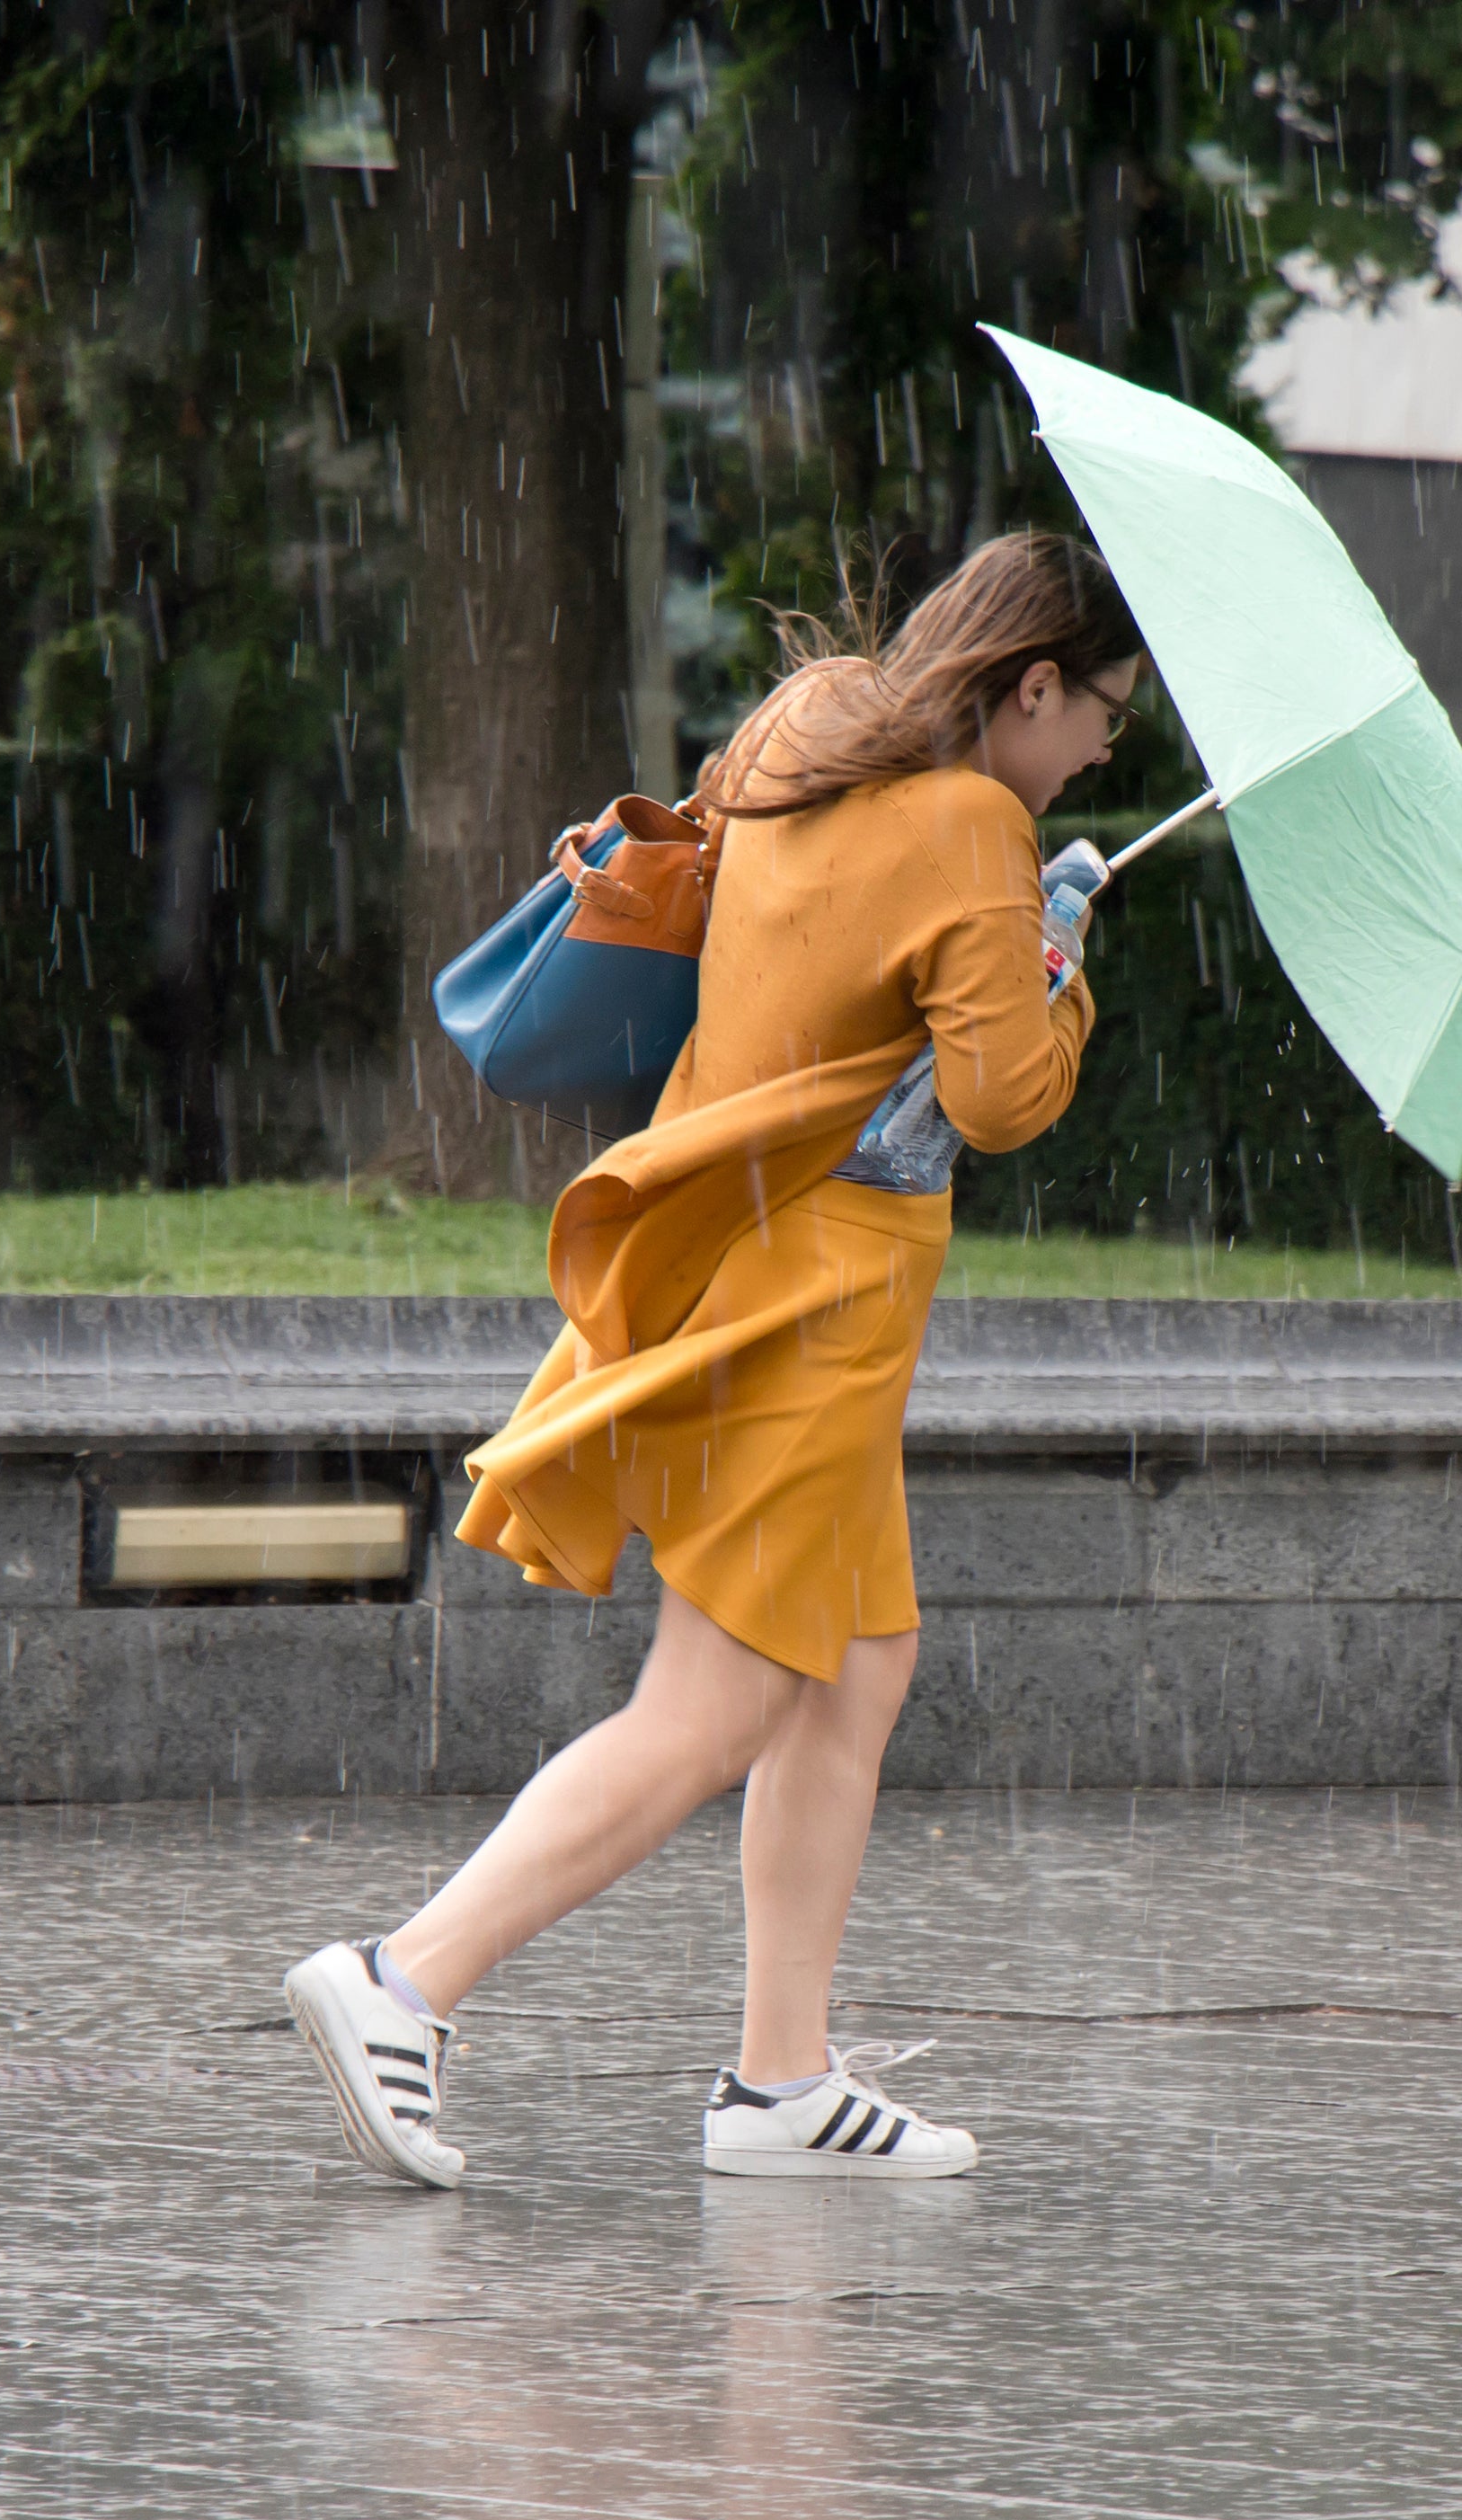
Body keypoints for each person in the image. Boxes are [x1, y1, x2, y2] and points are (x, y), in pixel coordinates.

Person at [285, 532, 1143, 2189]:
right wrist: (1060, 964)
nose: (1104, 744)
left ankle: (781, 2084)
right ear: (1032, 684)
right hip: (823, 1303)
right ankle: (403, 1981)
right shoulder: (978, 825)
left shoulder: (808, 720)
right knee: (715, 1704)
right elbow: (998, 1103)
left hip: (736, 1239)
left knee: (857, 1667)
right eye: (1102, 710)